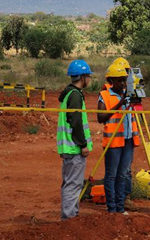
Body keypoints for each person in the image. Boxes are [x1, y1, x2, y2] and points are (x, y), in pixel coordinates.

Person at [98, 64, 140, 215]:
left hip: (128, 140)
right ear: (111, 80)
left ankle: (120, 208)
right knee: (111, 175)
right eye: (119, 80)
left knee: (122, 175)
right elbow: (100, 117)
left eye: (124, 80)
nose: (122, 83)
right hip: (113, 142)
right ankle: (112, 209)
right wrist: (119, 104)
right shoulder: (104, 95)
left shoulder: (128, 94)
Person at [57, 60, 93, 220]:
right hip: (74, 148)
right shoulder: (75, 96)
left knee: (69, 183)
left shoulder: (68, 94)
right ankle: (69, 220)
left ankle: (71, 217)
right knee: (73, 185)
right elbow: (76, 121)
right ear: (83, 77)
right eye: (89, 76)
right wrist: (83, 144)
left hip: (68, 148)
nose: (90, 79)